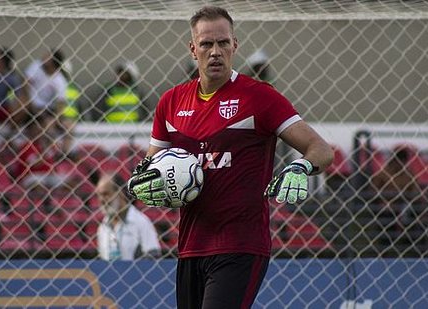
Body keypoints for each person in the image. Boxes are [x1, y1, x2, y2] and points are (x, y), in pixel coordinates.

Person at [127, 6, 333, 309]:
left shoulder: (260, 97)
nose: (215, 52)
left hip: (241, 244)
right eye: (206, 44)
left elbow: (321, 149)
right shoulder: (170, 102)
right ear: (192, 48)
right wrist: (144, 184)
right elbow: (150, 167)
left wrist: (300, 166)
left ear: (234, 45)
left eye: (223, 43)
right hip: (191, 247)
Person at [96, 173, 161, 261]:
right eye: (98, 195)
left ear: (120, 192)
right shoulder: (102, 227)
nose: (101, 199)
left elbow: (153, 255)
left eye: (105, 194)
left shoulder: (141, 222)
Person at [22, 49, 68, 123]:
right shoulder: (36, 66)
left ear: (53, 63)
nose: (43, 57)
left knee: (51, 124)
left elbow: (61, 101)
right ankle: (10, 131)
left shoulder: (60, 80)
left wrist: (56, 118)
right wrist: (30, 103)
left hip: (47, 109)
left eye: (47, 56)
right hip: (30, 103)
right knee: (22, 102)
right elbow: (25, 83)